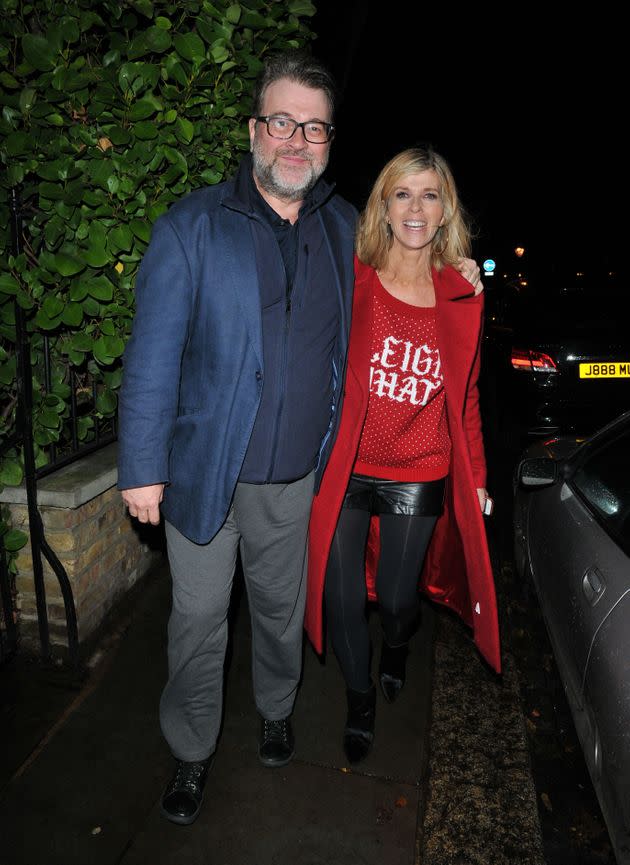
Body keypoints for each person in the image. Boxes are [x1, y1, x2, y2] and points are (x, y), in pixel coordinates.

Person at [118, 51, 483, 826]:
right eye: (282, 122)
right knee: (198, 619)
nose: (296, 140)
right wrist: (141, 467)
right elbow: (149, 356)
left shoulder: (347, 229)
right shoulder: (193, 226)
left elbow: (412, 268)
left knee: (283, 609)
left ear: (327, 143)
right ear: (255, 129)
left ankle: (277, 708)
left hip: (295, 478)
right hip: (200, 473)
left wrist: (466, 275)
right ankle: (190, 752)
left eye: (313, 128)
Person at [304, 147, 501, 765]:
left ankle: (396, 646)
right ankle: (359, 700)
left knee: (395, 600)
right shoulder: (351, 275)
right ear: (383, 206)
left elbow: (465, 395)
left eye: (430, 195)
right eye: (403, 194)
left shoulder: (462, 293)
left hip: (420, 468)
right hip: (348, 464)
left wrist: (476, 477)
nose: (416, 208)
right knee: (340, 601)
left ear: (445, 212)